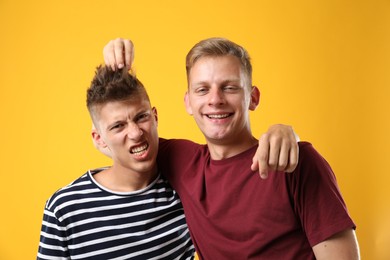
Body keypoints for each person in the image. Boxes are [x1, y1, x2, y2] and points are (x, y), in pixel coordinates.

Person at [103, 37, 360, 259]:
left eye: (229, 88)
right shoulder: (181, 160)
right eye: (203, 90)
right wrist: (115, 67)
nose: (215, 100)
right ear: (188, 102)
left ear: (253, 97)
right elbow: (128, 142)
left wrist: (287, 132)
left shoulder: (295, 161)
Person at [37, 66, 195, 259]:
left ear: (155, 117)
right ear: (99, 139)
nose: (136, 133)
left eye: (141, 117)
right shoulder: (64, 208)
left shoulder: (185, 190)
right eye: (118, 126)